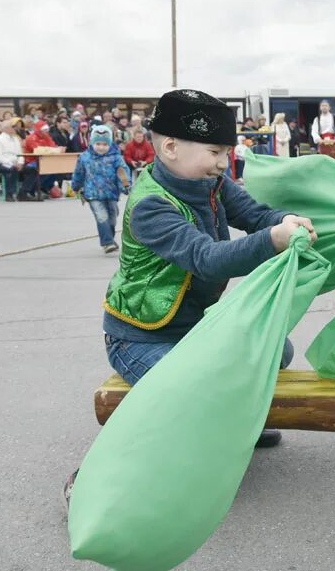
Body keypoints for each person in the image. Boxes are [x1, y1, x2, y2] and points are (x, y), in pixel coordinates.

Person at [100, 89, 316, 447]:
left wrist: (285, 219)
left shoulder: (212, 183)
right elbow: (207, 260)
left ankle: (230, 417)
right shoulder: (150, 205)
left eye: (227, 153)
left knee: (279, 351)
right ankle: (132, 458)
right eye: (215, 152)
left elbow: (256, 215)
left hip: (197, 328)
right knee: (191, 392)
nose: (222, 163)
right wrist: (273, 239)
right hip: (142, 337)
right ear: (170, 148)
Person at [71, 128, 131, 253]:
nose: (101, 147)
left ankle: (109, 238)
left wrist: (126, 186)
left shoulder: (116, 158)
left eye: (105, 144)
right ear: (92, 143)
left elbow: (122, 173)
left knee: (112, 218)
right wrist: (76, 186)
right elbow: (79, 173)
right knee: (101, 216)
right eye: (98, 144)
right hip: (93, 194)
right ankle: (107, 242)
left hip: (111, 193)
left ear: (110, 144)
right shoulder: (85, 157)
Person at [0, 118, 35, 202]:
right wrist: (11, 163)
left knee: (32, 170)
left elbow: (20, 154)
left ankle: (23, 193)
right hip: (1, 164)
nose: (14, 129)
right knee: (11, 170)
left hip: (16, 162)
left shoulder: (15, 139)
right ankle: (10, 194)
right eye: (13, 127)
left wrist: (20, 163)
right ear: (6, 128)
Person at [24, 119, 64, 197]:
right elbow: (38, 150)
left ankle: (45, 187)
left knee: (56, 168)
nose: (47, 132)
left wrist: (57, 149)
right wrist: (54, 150)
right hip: (31, 161)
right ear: (39, 130)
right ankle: (32, 189)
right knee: (43, 169)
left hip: (45, 160)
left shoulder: (47, 137)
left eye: (47, 130)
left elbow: (53, 146)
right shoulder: (31, 138)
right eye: (45, 130)